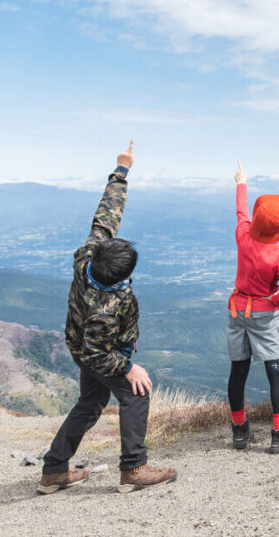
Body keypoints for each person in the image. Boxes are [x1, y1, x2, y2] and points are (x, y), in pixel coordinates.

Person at [39, 141, 177, 495]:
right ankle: (133, 468)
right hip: (98, 352)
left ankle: (55, 469)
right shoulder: (108, 306)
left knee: (91, 402)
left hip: (80, 344)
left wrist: (122, 169)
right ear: (119, 275)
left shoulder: (89, 256)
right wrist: (129, 368)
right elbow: (96, 351)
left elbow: (105, 217)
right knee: (136, 393)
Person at [227, 161, 279, 453]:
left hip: (237, 312)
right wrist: (275, 300)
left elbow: (242, 212)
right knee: (275, 370)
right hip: (265, 315)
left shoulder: (243, 238)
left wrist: (241, 182)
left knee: (238, 370)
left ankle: (239, 431)